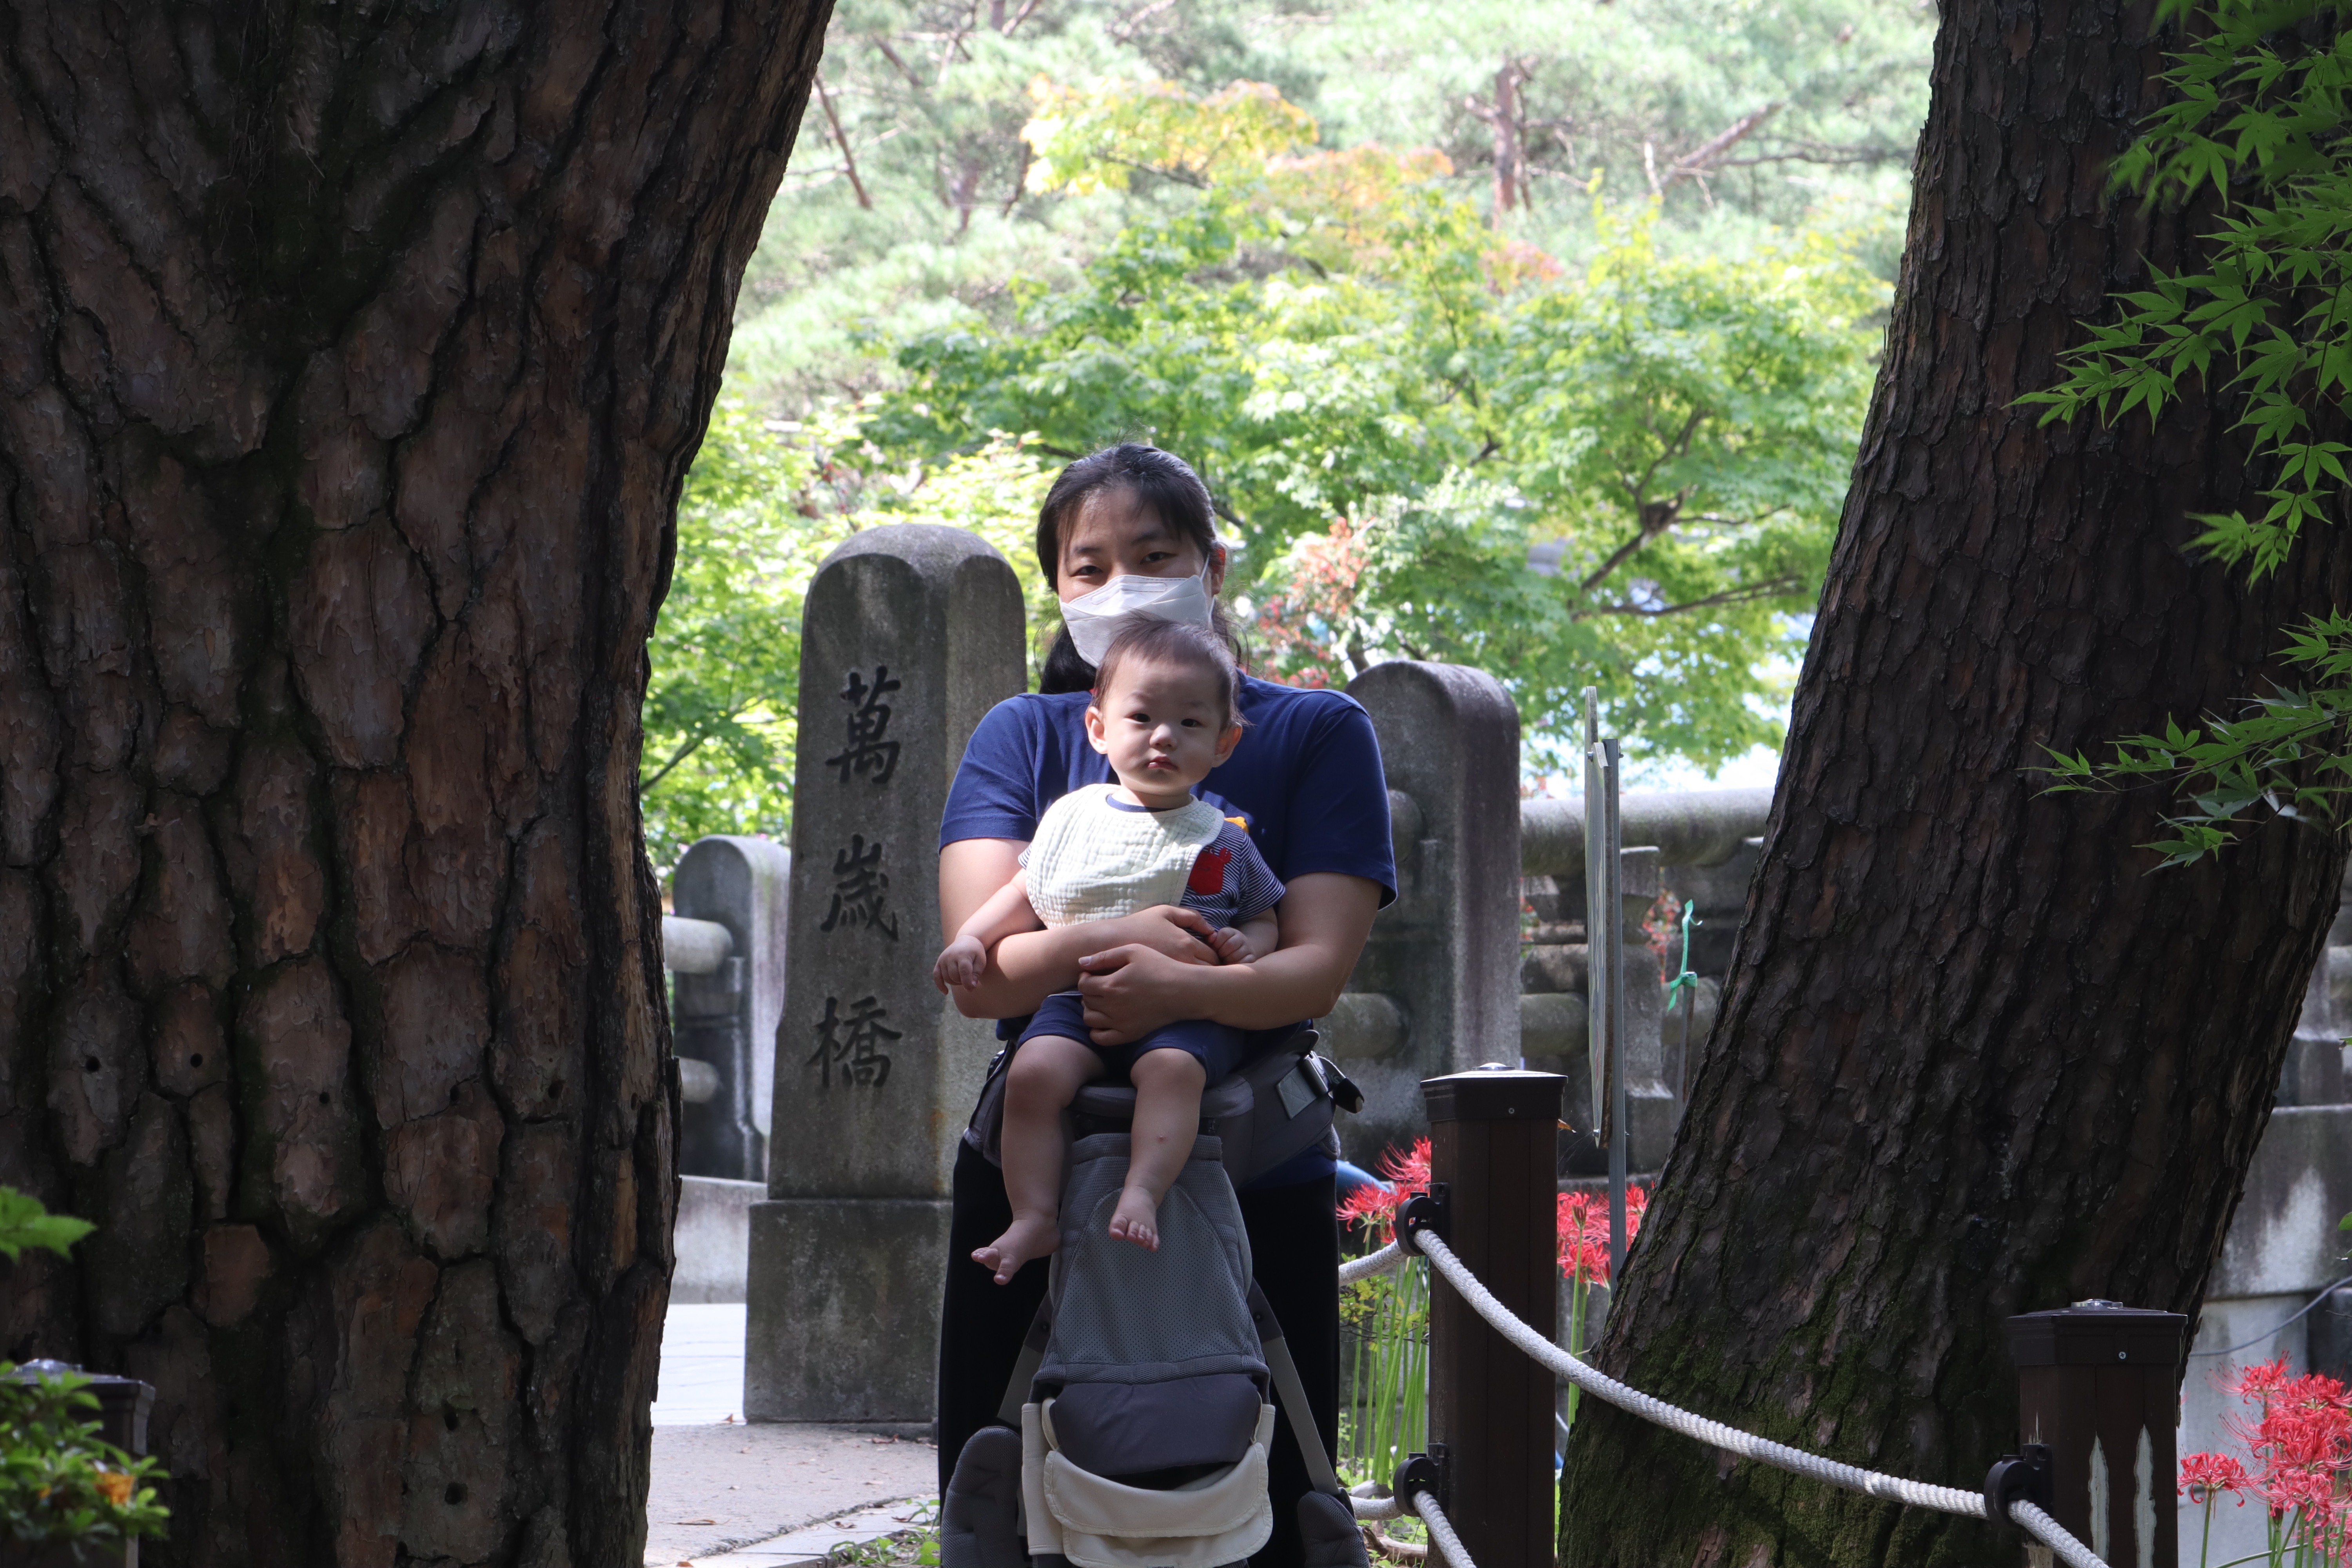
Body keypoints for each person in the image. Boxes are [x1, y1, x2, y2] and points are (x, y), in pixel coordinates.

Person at [936, 443, 1395, 1567]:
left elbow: (1314, 967)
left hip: (1254, 1163)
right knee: (1013, 1506)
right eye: (1087, 567)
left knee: (1264, 1503)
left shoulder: (1317, 732)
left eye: (1153, 556)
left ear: (1212, 566)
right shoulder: (1024, 735)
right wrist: (1129, 937)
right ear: (1057, 586)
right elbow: (985, 976)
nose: (1122, 587)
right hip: (1040, 1154)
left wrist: (1179, 990)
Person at [937, 619, 1286, 1280]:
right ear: (1099, 728)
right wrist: (971, 938)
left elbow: (1264, 915)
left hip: (1186, 1009)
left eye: (1190, 723)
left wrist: (1249, 946)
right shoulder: (1074, 819)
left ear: (1224, 742)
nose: (1164, 736)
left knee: (1173, 1073)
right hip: (1078, 996)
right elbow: (1024, 890)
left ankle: (1143, 1191)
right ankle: (1033, 1214)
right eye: (1142, 717)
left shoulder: (1223, 838)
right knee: (1032, 1074)